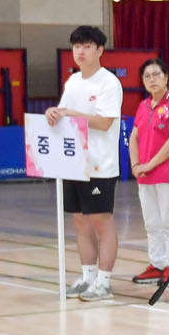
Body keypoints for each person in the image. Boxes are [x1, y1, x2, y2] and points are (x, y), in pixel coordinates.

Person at [50, 26, 123, 302]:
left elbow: (104, 122)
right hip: (74, 163)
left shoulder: (109, 83)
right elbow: (64, 115)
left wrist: (72, 114)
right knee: (80, 221)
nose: (80, 51)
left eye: (86, 46)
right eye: (76, 46)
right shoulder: (72, 82)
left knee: (101, 220)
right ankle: (88, 277)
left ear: (100, 50)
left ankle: (104, 282)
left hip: (99, 164)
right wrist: (54, 113)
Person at [127, 58, 169, 286]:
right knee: (151, 222)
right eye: (147, 76)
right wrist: (135, 165)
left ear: (166, 77)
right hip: (144, 175)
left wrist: (149, 165)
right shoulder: (143, 105)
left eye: (156, 74)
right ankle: (157, 264)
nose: (152, 79)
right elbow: (134, 137)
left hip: (168, 173)